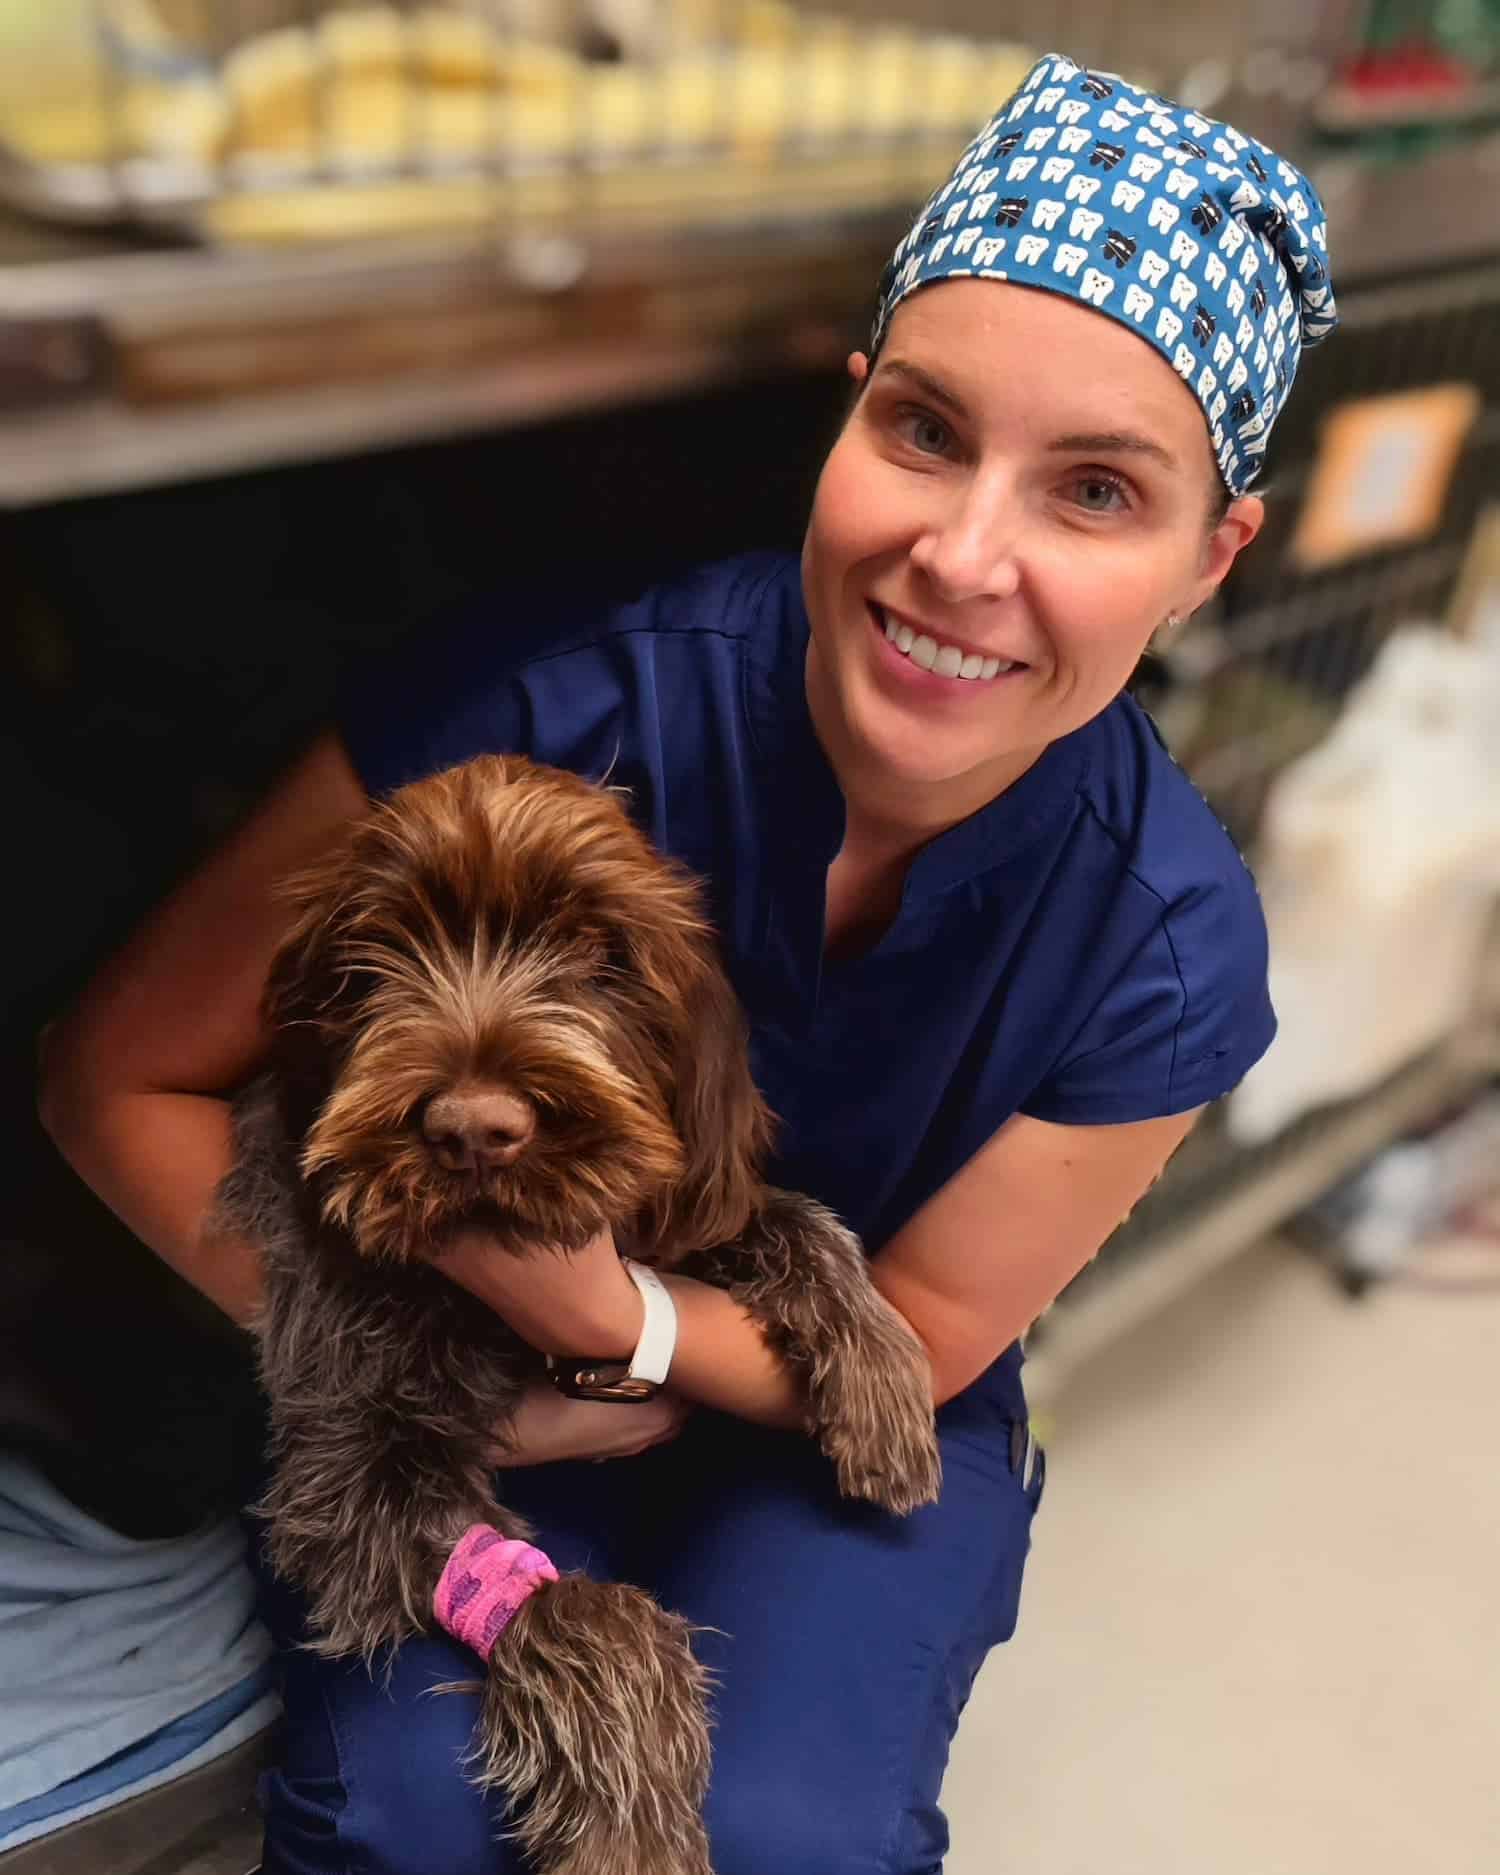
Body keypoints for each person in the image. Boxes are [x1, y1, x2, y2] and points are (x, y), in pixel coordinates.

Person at [38, 53, 1336, 1875]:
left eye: (1098, 494)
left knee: (787, 1833)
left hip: (831, 1375)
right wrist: (387, 1357)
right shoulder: (540, 703)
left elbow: (929, 1337)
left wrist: (613, 1324)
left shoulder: (1166, 943)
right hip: (419, 1354)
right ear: (851, 410)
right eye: (927, 433)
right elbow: (121, 1075)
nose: (964, 557)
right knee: (421, 1812)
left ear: (1216, 557)